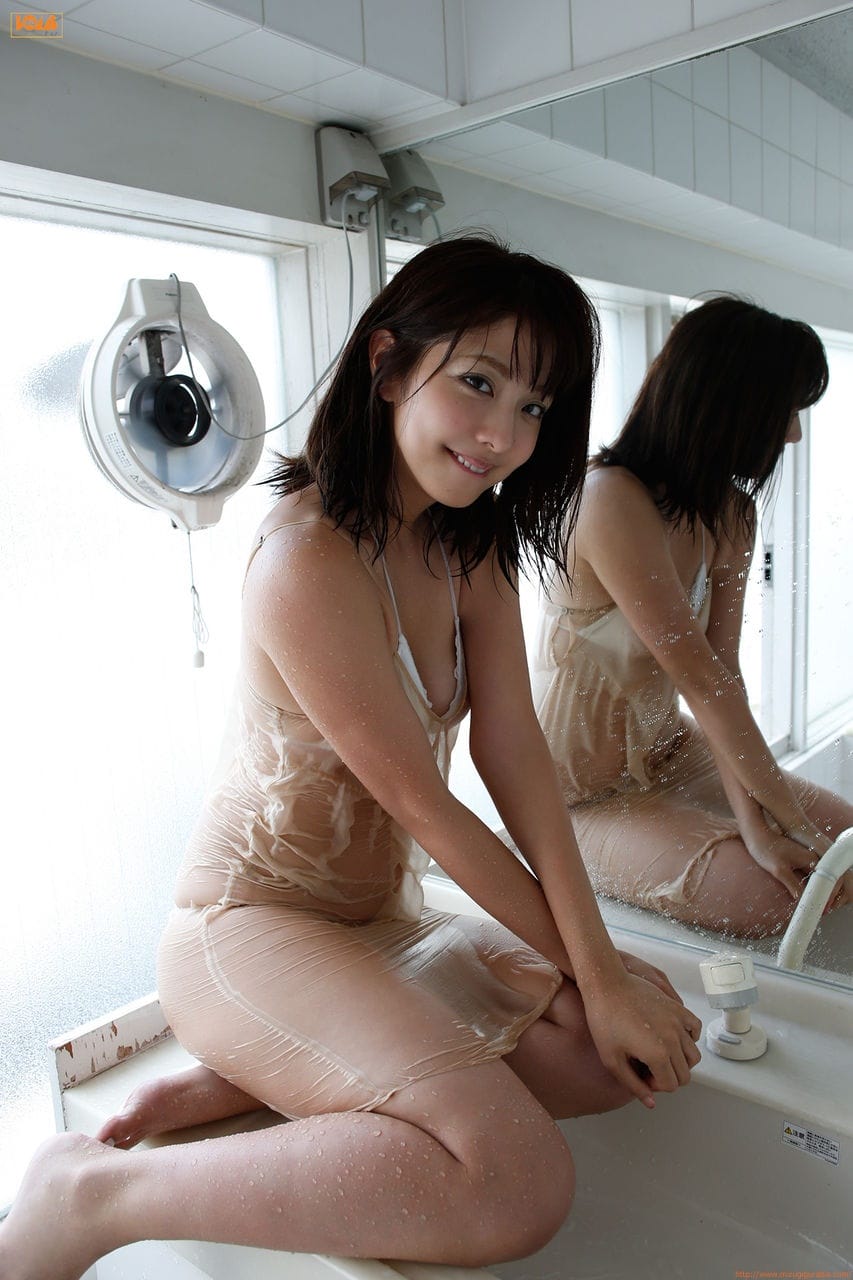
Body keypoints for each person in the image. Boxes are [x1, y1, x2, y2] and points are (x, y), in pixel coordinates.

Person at [1, 236, 700, 1280]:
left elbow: (513, 754)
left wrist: (602, 972)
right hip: (250, 930)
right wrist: (592, 972)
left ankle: (264, 1076)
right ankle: (92, 1194)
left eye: (534, 406)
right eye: (478, 383)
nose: (503, 435)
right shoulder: (306, 558)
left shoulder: (466, 544)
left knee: (620, 1048)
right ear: (387, 363)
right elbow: (425, 806)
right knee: (516, 1182)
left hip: (380, 923)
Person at [531, 296, 853, 940]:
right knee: (781, 897)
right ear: (730, 403)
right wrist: (787, 825)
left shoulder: (731, 512)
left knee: (844, 843)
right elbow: (699, 678)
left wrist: (761, 825)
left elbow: (721, 674)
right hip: (571, 795)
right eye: (786, 411)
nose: (793, 434)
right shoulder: (608, 498)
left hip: (670, 751)